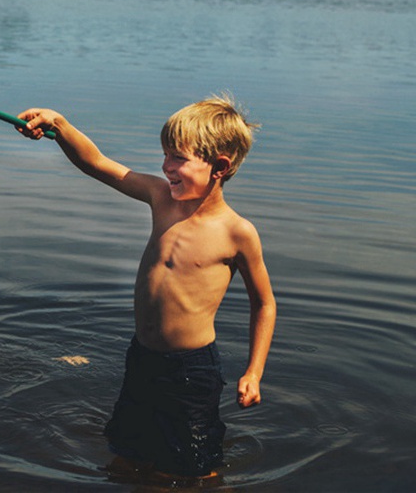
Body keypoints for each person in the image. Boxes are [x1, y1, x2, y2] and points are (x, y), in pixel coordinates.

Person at [16, 96, 276, 478]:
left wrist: (254, 372)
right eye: (165, 155)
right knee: (127, 451)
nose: (165, 166)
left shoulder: (237, 232)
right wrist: (60, 126)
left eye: (178, 158)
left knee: (196, 464)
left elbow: (264, 304)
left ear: (220, 166)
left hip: (191, 370)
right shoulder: (161, 198)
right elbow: (98, 164)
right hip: (142, 358)